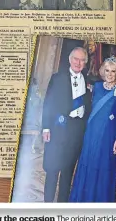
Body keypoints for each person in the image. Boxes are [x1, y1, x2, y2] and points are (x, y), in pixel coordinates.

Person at [70, 56, 116, 202]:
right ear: (103, 71)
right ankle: (83, 199)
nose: (109, 74)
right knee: (88, 162)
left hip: (108, 136)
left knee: (103, 165)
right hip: (91, 133)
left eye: (113, 71)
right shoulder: (96, 87)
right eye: (107, 70)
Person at [42, 46, 92, 202]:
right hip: (59, 128)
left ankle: (62, 205)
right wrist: (46, 127)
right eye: (76, 59)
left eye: (82, 60)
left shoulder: (89, 82)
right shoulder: (58, 78)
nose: (78, 62)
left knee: (68, 171)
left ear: (85, 63)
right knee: (52, 169)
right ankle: (47, 204)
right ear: (70, 60)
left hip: (77, 131)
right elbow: (48, 103)